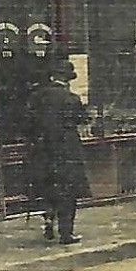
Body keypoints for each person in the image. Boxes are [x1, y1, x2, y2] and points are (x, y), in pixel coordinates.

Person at [27, 59, 91, 245]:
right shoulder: (71, 99)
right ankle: (66, 233)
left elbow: (27, 123)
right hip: (67, 152)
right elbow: (83, 119)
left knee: (48, 188)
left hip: (43, 152)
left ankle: (48, 218)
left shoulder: (37, 97)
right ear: (68, 79)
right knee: (68, 193)